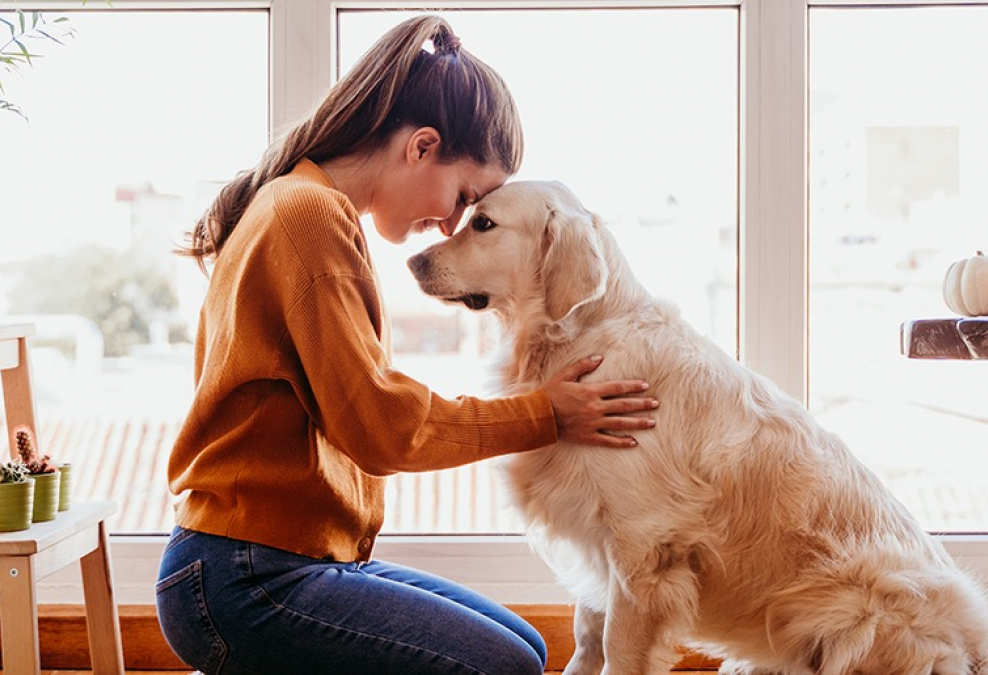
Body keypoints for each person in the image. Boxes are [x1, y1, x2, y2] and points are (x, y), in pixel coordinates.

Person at [155, 15, 659, 675]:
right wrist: (545, 413)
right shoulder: (307, 215)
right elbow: (380, 426)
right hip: (243, 577)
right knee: (504, 665)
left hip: (275, 562)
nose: (450, 223)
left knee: (528, 648)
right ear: (422, 146)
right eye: (463, 197)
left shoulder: (308, 204)